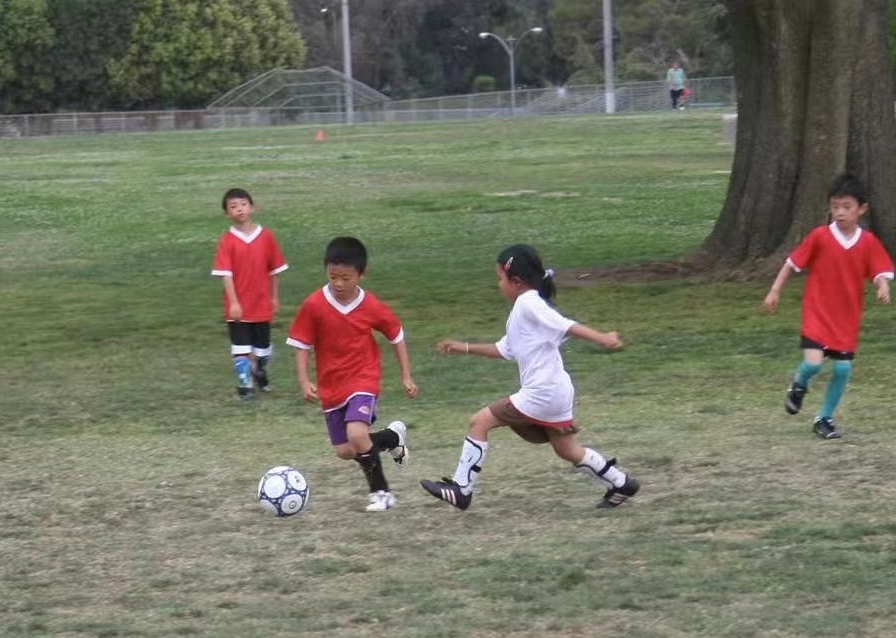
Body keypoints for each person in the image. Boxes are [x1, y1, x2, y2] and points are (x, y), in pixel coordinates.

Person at [420, 244, 641, 511]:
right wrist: (464, 347)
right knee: (566, 449)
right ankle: (621, 484)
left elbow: (564, 324)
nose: (498, 285)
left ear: (516, 281)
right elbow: (505, 349)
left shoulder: (529, 302)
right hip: (558, 391)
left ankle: (461, 489)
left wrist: (602, 338)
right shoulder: (524, 309)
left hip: (542, 392)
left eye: (500, 279)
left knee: (479, 421)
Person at [287, 237, 419, 512]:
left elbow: (396, 335)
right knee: (346, 450)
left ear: (362, 274)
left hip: (363, 378)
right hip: (331, 385)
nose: (338, 284)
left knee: (357, 433)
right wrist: (303, 379)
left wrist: (406, 375)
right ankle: (393, 437)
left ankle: (382, 494)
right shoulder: (314, 304)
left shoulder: (370, 305)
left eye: (346, 278)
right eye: (333, 276)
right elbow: (301, 343)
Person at [764, 173, 894, 439]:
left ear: (862, 208)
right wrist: (774, 291)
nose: (840, 213)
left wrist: (883, 285)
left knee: (842, 368)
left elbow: (879, 270)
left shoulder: (868, 242)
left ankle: (824, 418)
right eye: (835, 207)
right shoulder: (820, 236)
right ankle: (799, 385)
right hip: (817, 312)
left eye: (847, 207)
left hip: (846, 317)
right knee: (813, 364)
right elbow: (792, 263)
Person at [211, 188, 288, 400]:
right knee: (241, 347)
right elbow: (225, 274)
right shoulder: (226, 240)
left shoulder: (266, 237)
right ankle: (245, 386)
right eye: (233, 207)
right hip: (238, 306)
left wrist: (274, 298)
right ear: (227, 214)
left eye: (243, 204)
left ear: (252, 207)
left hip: (261, 303)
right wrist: (234, 303)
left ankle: (260, 372)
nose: (239, 209)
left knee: (263, 350)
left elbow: (275, 271)